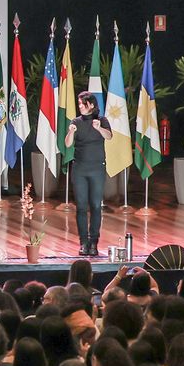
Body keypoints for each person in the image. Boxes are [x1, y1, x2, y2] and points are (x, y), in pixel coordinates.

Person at [66, 92, 112, 256]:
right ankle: (83, 243)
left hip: (97, 168)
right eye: (79, 104)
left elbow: (109, 136)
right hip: (80, 169)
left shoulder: (101, 120)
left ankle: (94, 242)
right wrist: (71, 132)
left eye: (82, 104)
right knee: (81, 207)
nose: (80, 106)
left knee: (95, 206)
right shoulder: (76, 122)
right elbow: (68, 144)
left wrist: (99, 128)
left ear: (91, 105)